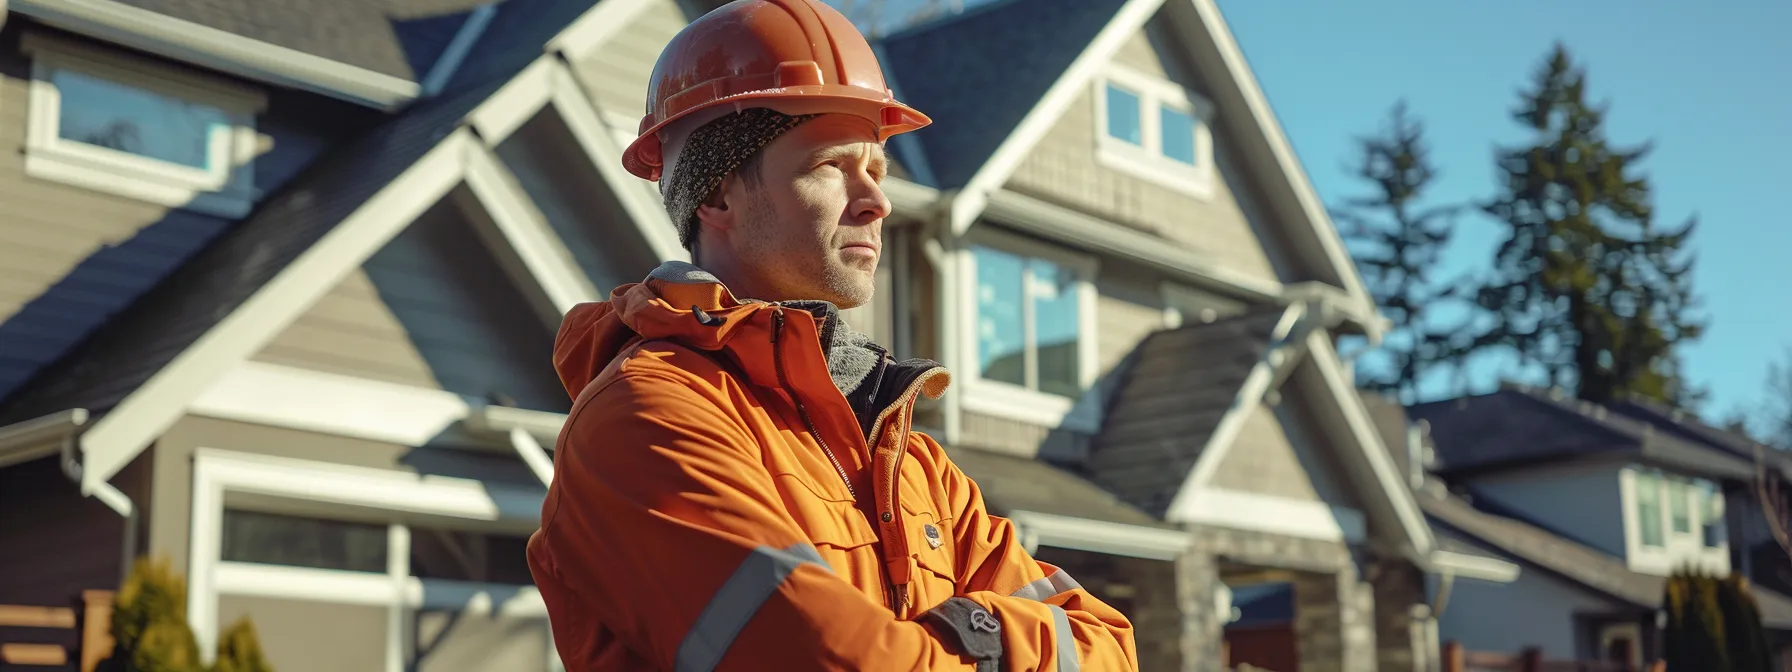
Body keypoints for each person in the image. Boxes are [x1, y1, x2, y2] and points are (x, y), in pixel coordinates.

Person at [525, 1, 1138, 669]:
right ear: (717, 197)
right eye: (831, 166)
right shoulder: (648, 420)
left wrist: (968, 633)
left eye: (876, 170)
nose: (877, 201)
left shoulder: (914, 464)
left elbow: (1108, 643)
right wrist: (994, 640)